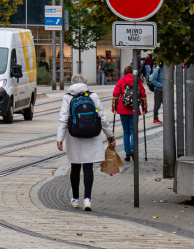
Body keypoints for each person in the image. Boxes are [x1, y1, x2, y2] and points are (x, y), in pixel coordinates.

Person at [55, 73, 112, 212]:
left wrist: (59, 138)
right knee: (88, 166)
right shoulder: (93, 96)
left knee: (75, 166)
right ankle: (87, 199)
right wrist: (110, 136)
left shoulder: (68, 97)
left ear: (72, 83)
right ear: (85, 83)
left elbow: (63, 118)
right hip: (92, 135)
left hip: (74, 136)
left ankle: (75, 198)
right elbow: (102, 117)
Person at [112, 65, 147, 159]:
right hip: (134, 109)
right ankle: (132, 149)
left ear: (125, 72)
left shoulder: (121, 80)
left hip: (122, 109)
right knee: (133, 130)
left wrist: (114, 108)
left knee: (126, 132)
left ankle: (127, 153)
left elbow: (115, 94)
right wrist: (144, 108)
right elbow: (143, 94)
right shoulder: (138, 80)